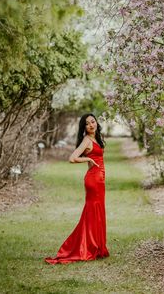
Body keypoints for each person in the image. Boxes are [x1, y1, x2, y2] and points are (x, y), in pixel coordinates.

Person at [44, 113, 110, 265]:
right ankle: (88, 247)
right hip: (93, 180)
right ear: (84, 127)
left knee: (98, 212)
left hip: (100, 180)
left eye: (93, 122)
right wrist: (88, 158)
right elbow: (72, 158)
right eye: (87, 124)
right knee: (92, 213)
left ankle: (97, 246)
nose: (91, 125)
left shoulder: (96, 138)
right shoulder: (87, 140)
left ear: (96, 122)